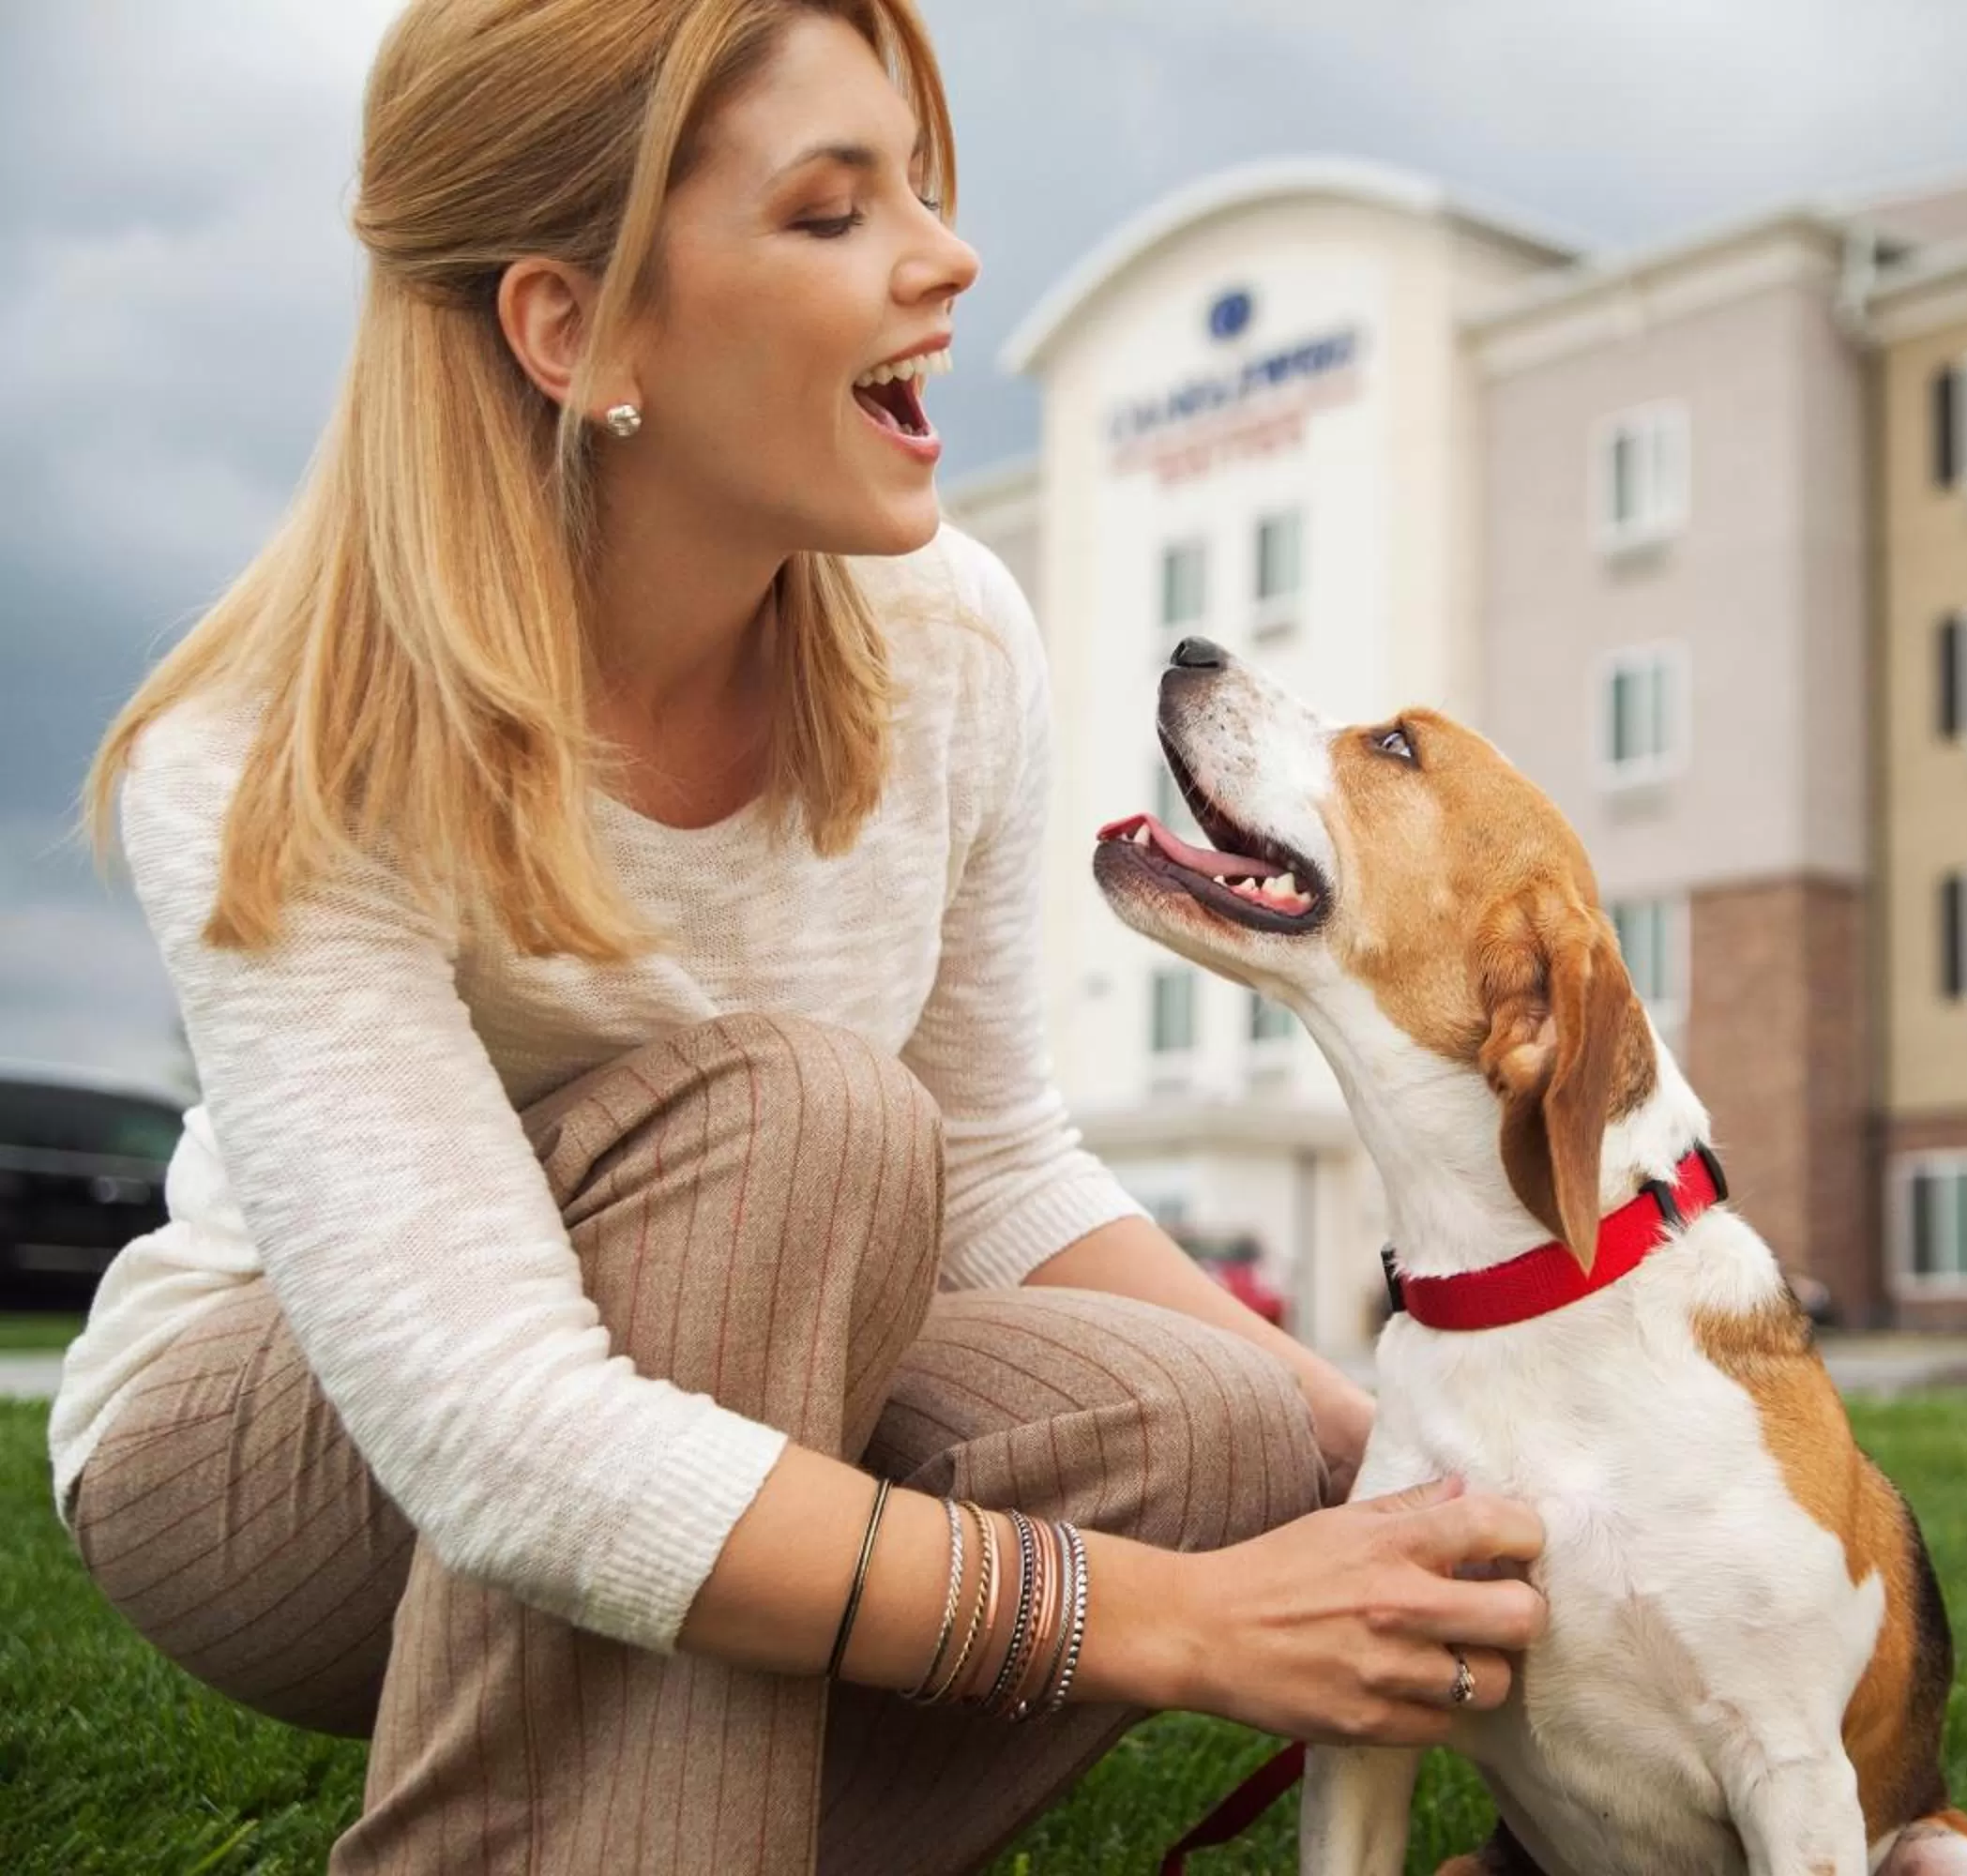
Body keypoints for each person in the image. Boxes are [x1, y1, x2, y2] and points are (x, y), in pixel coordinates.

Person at [46, 2, 1546, 1868]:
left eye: (917, 187)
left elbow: (996, 1154)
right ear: (569, 327)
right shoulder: (275, 740)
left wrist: (1388, 1446)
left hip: (748, 1353)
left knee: (1217, 1423)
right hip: (290, 1459)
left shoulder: (948, 635)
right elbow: (505, 1434)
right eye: (835, 213)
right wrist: (1169, 1621)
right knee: (802, 1122)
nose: (950, 256)